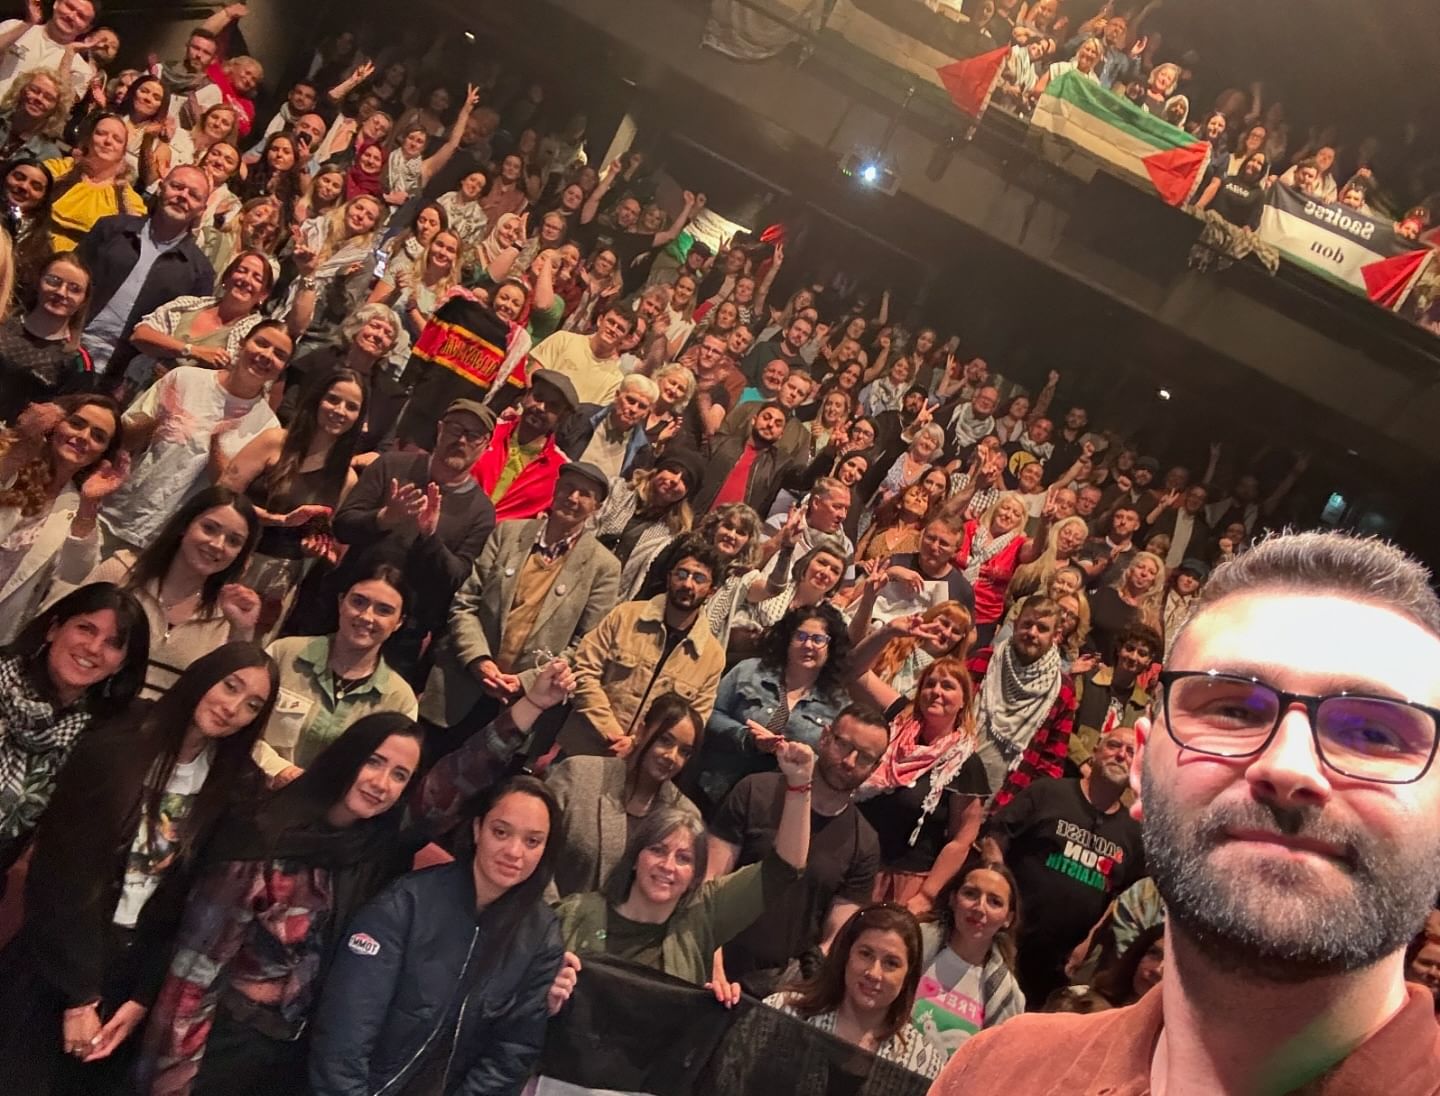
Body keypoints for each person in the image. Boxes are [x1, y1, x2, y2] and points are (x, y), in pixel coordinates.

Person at [941, 532, 1440, 1090]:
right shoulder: (997, 1071)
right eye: (1232, 710)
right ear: (1140, 769)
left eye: (1374, 733)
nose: (1288, 766)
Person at [0, 643, 278, 1095]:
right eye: (230, 686)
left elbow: (192, 907)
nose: (233, 708)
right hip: (55, 957)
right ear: (204, 675)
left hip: (128, 975)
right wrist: (79, 998)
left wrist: (142, 997)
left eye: (252, 705)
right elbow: (61, 875)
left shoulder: (234, 786)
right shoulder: (117, 741)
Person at [307, 774, 565, 1095]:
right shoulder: (406, 903)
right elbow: (345, 1032)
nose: (514, 851)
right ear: (477, 829)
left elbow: (511, 1054)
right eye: (501, 832)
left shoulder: (542, 935)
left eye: (532, 841)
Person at [553, 738, 813, 985]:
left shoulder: (703, 916)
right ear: (634, 858)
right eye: (657, 850)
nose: (668, 866)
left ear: (695, 875)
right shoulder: (573, 914)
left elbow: (784, 868)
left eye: (683, 859)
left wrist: (800, 784)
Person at [420, 463, 619, 753]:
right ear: (555, 489)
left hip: (522, 706)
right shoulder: (508, 533)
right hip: (459, 685)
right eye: (567, 487)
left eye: (585, 494)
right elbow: (466, 602)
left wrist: (526, 682)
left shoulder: (604, 567)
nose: (573, 498)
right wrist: (478, 660)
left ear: (597, 507)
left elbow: (586, 645)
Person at [708, 705, 889, 998]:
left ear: (876, 767)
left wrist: (793, 992)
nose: (850, 761)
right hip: (714, 959)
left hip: (779, 987)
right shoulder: (755, 791)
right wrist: (712, 962)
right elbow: (710, 883)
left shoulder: (864, 842)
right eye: (844, 745)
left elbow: (834, 937)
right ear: (825, 737)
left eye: (865, 757)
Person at [324, 398, 497, 680]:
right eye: (455, 428)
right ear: (439, 429)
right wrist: (385, 518)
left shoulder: (482, 512)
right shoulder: (391, 465)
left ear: (485, 444)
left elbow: (458, 580)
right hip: (344, 607)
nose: (461, 440)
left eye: (473, 435)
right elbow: (342, 526)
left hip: (403, 635)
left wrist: (430, 537)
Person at [977, 726, 1144, 1005]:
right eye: (1114, 745)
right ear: (1096, 752)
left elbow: (1120, 895)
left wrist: (1087, 943)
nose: (1120, 756)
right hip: (1004, 939)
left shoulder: (1133, 834)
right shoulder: (1048, 792)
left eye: (1131, 752)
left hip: (1058, 966)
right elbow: (995, 836)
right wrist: (996, 899)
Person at [97, 322, 289, 553]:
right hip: (113, 514)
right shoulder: (184, 379)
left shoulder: (268, 429)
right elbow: (123, 440)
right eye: (261, 343)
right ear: (242, 343)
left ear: (282, 368)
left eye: (279, 354)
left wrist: (215, 443)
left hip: (172, 544)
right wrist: (157, 421)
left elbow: (230, 496)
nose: (266, 355)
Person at [0, 581, 148, 882]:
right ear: (54, 629)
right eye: (85, 629)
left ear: (121, 665)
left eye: (113, 643)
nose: (93, 648)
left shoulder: (99, 734)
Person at [75, 485, 262, 698]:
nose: (218, 545)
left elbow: (228, 693)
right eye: (209, 528)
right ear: (184, 526)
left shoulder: (229, 615)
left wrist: (243, 631)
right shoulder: (120, 572)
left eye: (233, 541)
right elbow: (65, 633)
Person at [557, 540, 727, 757]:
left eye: (699, 578)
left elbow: (695, 719)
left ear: (712, 591)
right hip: (583, 745)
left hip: (644, 760)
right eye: (682, 574)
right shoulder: (625, 615)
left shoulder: (712, 656)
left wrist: (638, 743)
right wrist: (610, 730)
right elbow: (583, 669)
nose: (687, 584)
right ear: (669, 577)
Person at [256, 563, 419, 785]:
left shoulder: (400, 700)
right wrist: (279, 769)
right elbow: (242, 724)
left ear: (399, 622)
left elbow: (385, 774)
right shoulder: (284, 653)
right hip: (254, 785)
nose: (367, 616)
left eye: (384, 610)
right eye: (358, 602)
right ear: (341, 602)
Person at [851, 655, 991, 913]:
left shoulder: (965, 763)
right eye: (930, 684)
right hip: (853, 858)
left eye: (947, 686)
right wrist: (889, 635)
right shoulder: (897, 722)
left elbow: (961, 840)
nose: (936, 691)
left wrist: (927, 895)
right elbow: (856, 669)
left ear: (964, 701)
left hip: (901, 881)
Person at [545, 692, 704, 898]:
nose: (672, 756)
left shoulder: (686, 815)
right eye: (665, 740)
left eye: (684, 752)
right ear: (641, 731)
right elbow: (536, 851)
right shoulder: (578, 775)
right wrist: (552, 913)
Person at [763, 904, 946, 1079]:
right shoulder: (781, 1012)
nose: (874, 973)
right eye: (866, 954)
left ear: (908, 975)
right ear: (846, 955)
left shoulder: (924, 1062)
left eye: (891, 963)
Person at [696, 603, 850, 809]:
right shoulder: (749, 671)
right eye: (801, 636)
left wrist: (798, 755)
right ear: (788, 639)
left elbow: (831, 761)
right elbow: (709, 712)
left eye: (818, 639)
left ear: (831, 647)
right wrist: (746, 737)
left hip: (775, 806)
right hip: (712, 788)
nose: (808, 645)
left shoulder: (838, 704)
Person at [0, 395, 126, 639]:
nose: (84, 436)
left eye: (98, 436)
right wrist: (18, 450)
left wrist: (88, 504)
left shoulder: (77, 508)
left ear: (103, 454)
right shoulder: (9, 453)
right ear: (56, 423)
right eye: (77, 424)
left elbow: (74, 574)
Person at [74, 165, 216, 377]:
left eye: (194, 195)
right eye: (177, 187)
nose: (182, 196)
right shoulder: (111, 228)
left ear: (202, 210)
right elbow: (71, 275)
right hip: (69, 344)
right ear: (160, 187)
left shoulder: (200, 272)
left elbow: (181, 335)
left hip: (122, 374)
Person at [969, 596, 1078, 811]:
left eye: (1042, 628)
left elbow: (1051, 763)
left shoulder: (1062, 689)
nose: (1032, 633)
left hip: (1005, 799)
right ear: (1015, 623)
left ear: (1056, 635)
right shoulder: (984, 660)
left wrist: (1021, 810)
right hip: (954, 776)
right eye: (1027, 624)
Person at [912, 862, 1025, 1055]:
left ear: (1008, 918)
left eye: (994, 902)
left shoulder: (1007, 995)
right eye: (971, 894)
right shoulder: (911, 945)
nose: (980, 908)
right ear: (953, 899)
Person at [125, 249, 276, 388]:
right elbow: (139, 335)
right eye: (241, 271)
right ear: (226, 277)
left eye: (257, 278)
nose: (246, 279)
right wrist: (192, 350)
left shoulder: (255, 337)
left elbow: (247, 383)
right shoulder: (187, 305)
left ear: (263, 295)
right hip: (139, 389)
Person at [277, 303, 404, 448]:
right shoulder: (317, 362)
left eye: (388, 334)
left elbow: (384, 445)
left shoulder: (390, 394)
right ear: (357, 327)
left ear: (390, 346)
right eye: (374, 326)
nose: (379, 335)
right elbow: (286, 409)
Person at [471, 369, 578, 521]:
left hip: (502, 535)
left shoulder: (561, 471)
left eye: (553, 406)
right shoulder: (488, 431)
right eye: (538, 397)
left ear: (563, 416)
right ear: (526, 396)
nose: (541, 407)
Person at [42, 113, 148, 252]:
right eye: (101, 133)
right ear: (88, 140)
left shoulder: (129, 202)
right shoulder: (59, 170)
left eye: (117, 139)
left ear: (123, 153)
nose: (108, 141)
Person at [555, 373, 658, 480]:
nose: (634, 409)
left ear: (647, 412)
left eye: (642, 406)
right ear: (617, 395)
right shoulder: (581, 416)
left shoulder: (642, 450)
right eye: (630, 401)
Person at [526, 303, 632, 406]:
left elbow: (596, 414)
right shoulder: (563, 339)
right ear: (600, 320)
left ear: (626, 338)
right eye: (611, 322)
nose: (613, 329)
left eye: (620, 329)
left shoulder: (616, 380)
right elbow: (533, 375)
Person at [0, 0, 96, 103]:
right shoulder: (13, 26)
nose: (71, 16)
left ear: (87, 28)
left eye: (81, 16)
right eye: (69, 7)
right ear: (56, 3)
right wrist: (28, 24)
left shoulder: (82, 70)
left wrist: (69, 55)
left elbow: (62, 103)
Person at [1088, 550, 1163, 662]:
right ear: (1130, 570)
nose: (1144, 573)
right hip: (1089, 659)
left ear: (1154, 582)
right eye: (1140, 567)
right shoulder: (1105, 594)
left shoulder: (1150, 616)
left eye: (1151, 572)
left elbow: (1156, 655)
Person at [0, 70, 69, 161]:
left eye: (48, 98)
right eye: (34, 90)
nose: (39, 99)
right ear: (21, 90)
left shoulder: (49, 156)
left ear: (56, 109)